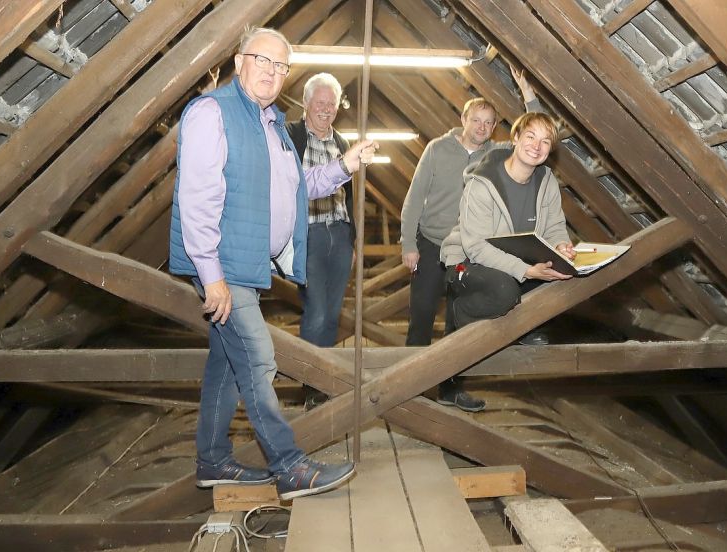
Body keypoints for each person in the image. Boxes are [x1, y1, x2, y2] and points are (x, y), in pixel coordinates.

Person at [169, 27, 377, 500]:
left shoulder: (271, 124)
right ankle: (289, 466)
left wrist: (345, 165)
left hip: (246, 265)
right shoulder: (212, 113)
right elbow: (197, 198)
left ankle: (213, 461)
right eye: (263, 60)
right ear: (239, 59)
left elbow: (297, 187)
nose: (272, 72)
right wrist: (211, 276)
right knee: (260, 358)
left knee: (226, 363)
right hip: (224, 265)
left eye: (281, 66)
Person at [400, 68, 538, 412]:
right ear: (464, 119)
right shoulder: (437, 149)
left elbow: (536, 135)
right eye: (476, 120)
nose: (482, 127)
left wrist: (528, 94)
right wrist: (407, 244)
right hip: (432, 245)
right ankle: (406, 390)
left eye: (489, 122)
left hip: (470, 250)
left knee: (459, 321)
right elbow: (414, 198)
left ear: (494, 127)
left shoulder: (496, 155)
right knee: (422, 315)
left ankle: (450, 390)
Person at [440, 111, 573, 353]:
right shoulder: (481, 184)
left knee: (563, 281)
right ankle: (461, 312)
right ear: (516, 138)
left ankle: (523, 327)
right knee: (504, 291)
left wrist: (562, 246)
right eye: (531, 137)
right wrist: (526, 270)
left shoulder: (547, 181)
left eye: (545, 141)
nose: (537, 146)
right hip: (465, 264)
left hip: (510, 262)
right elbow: (476, 248)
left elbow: (554, 227)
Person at [286, 73, 353, 410]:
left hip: (338, 232)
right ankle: (311, 383)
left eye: (332, 103)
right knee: (316, 309)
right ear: (306, 104)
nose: (326, 109)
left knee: (333, 311)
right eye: (320, 103)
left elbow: (350, 196)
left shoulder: (342, 143)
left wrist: (351, 238)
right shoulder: (291, 136)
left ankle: (324, 378)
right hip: (308, 233)